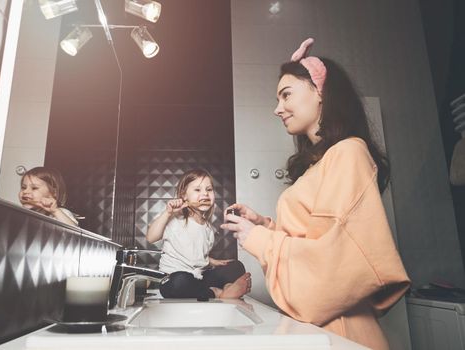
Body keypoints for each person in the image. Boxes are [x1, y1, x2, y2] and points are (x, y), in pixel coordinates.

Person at [221, 38, 410, 349]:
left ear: (320, 91)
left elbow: (339, 262)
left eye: (286, 95)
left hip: (342, 333)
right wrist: (265, 225)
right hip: (321, 332)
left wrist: (257, 237)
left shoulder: (349, 152)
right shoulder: (320, 164)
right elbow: (314, 238)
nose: (277, 108)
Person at [146, 168, 251, 299]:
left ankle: (221, 288)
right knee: (180, 282)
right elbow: (151, 237)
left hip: (199, 278)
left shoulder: (208, 228)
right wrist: (168, 213)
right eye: (197, 190)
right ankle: (218, 293)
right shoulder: (174, 219)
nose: (205, 194)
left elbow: (195, 254)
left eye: (209, 189)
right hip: (174, 278)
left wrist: (213, 262)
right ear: (184, 195)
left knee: (236, 267)